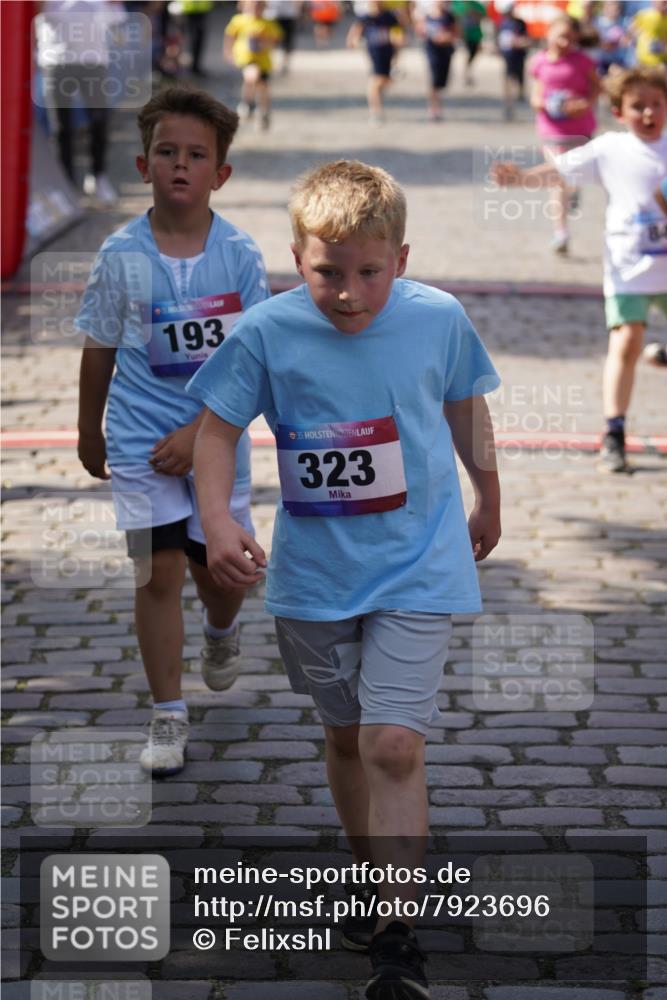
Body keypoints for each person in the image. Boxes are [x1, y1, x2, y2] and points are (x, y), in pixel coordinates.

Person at [188, 159, 501, 999]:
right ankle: (374, 886)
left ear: (402, 257)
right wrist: (220, 519)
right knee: (343, 738)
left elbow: (466, 406)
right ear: (299, 257)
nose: (349, 293)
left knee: (390, 743)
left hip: (419, 560)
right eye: (328, 272)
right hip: (316, 575)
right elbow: (216, 432)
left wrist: (489, 496)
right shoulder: (266, 332)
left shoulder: (437, 318)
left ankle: (397, 939)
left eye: (370, 272)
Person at [75, 86, 269, 776]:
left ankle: (222, 630)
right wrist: (88, 431)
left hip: (216, 442)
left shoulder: (240, 256)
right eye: (166, 153)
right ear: (142, 164)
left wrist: (199, 430)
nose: (179, 166)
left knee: (219, 573)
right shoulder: (120, 254)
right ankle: (167, 715)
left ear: (220, 174)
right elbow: (99, 345)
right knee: (156, 573)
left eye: (196, 155)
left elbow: (254, 362)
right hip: (136, 439)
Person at [492, 65, 667, 473]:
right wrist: (520, 179)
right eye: (637, 106)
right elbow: (562, 170)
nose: (647, 113)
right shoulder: (611, 149)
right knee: (626, 343)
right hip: (629, 267)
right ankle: (615, 432)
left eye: (656, 105)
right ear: (619, 112)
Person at [35, 0, 127, 203]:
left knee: (99, 121)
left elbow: (118, 20)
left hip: (94, 62)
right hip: (57, 61)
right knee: (60, 127)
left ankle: (98, 176)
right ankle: (67, 185)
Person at [529, 14, 600, 253]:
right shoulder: (539, 62)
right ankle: (561, 233)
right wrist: (545, 104)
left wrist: (585, 103)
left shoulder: (582, 61)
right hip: (551, 130)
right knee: (558, 175)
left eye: (571, 39)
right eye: (561, 37)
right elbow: (535, 96)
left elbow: (596, 88)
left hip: (580, 130)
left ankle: (574, 190)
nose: (565, 43)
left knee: (571, 177)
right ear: (549, 34)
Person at [223, 0, 283, 130]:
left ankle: (262, 109)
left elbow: (277, 38)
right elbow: (230, 35)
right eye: (252, 7)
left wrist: (265, 41)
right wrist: (228, 51)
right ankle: (248, 104)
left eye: (258, 7)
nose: (255, 10)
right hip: (246, 57)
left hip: (263, 60)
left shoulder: (267, 23)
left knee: (262, 86)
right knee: (251, 77)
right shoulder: (239, 20)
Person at [347, 1, 404, 123]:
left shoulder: (389, 17)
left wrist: (398, 44)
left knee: (385, 81)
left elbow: (398, 35)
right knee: (375, 83)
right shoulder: (365, 18)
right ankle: (376, 112)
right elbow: (354, 34)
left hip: (389, 54)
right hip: (375, 54)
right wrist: (355, 41)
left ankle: (376, 102)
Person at [415, 1, 458, 121]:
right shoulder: (427, 17)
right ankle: (434, 108)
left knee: (442, 82)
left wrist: (446, 37)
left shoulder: (449, 17)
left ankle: (438, 104)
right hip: (432, 51)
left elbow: (456, 33)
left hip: (446, 51)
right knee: (433, 80)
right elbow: (420, 30)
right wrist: (426, 33)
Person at [495, 0, 531, 120]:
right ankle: (508, 105)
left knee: (519, 79)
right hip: (507, 57)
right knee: (508, 80)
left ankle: (520, 95)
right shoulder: (501, 23)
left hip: (519, 56)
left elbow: (526, 39)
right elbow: (499, 40)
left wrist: (519, 42)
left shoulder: (520, 23)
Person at [451, 0, 485, 86]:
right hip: (464, 35)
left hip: (475, 34)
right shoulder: (456, 4)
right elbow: (454, 18)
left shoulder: (475, 4)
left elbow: (483, 16)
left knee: (474, 53)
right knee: (467, 53)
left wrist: (473, 12)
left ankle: (467, 70)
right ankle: (466, 74)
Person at [631, 0, 667, 67]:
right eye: (664, 2)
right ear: (654, 2)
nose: (666, 5)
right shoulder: (644, 14)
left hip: (662, 59)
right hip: (644, 59)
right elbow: (631, 31)